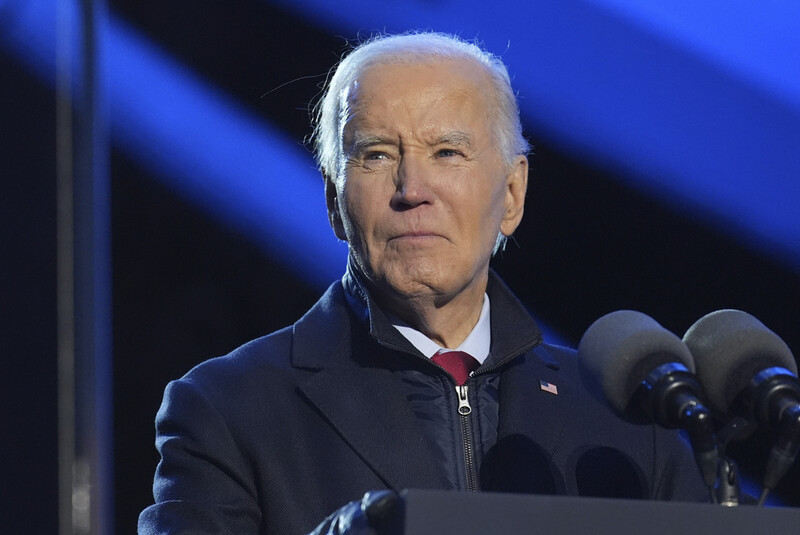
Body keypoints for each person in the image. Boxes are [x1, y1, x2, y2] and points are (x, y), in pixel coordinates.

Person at [138, 32, 707, 535]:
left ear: (512, 194)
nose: (413, 187)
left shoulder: (626, 422)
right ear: (334, 202)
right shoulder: (227, 411)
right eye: (377, 155)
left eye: (447, 152)